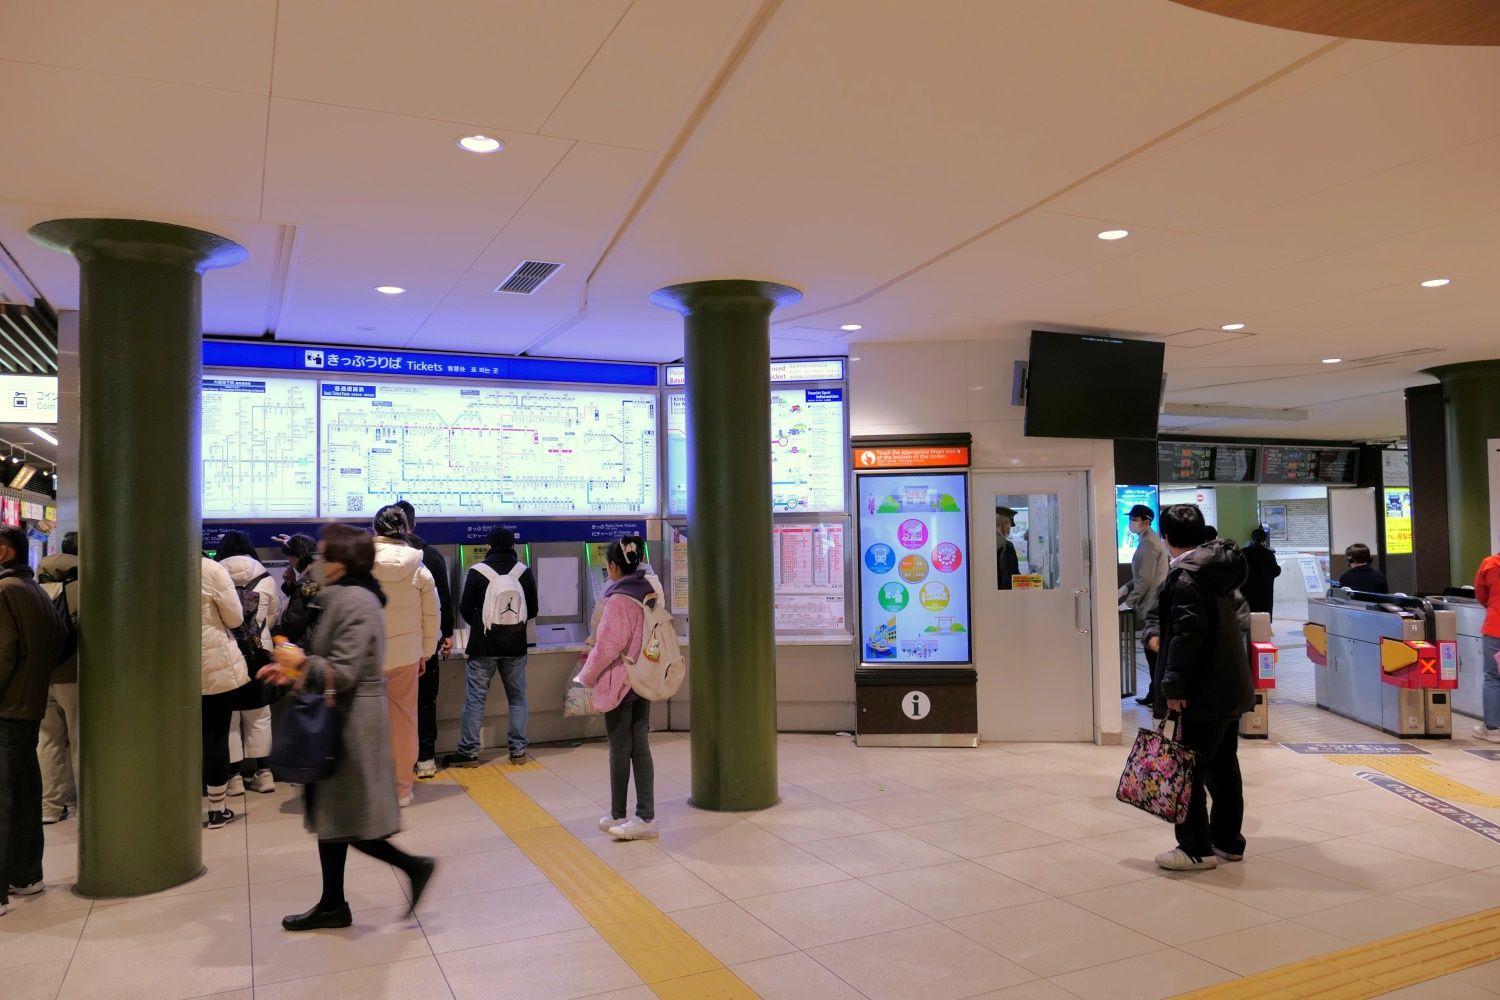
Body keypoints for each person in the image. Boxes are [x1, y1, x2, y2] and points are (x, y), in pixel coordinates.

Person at [257, 524, 436, 931]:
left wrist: (298, 663)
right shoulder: (344, 596)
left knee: (347, 818)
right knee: (332, 816)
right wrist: (293, 670)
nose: (319, 562)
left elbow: (349, 669)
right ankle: (333, 903)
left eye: (324, 555)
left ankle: (413, 866)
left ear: (339, 562)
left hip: (352, 722)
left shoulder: (355, 601)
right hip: (342, 714)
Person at [1150, 504, 1254, 872]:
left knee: (1189, 769)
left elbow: (1186, 638)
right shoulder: (1217, 570)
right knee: (1223, 768)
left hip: (1202, 692)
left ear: (1167, 538)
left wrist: (1173, 688)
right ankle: (1228, 841)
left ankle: (1195, 848)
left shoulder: (1187, 578)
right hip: (1227, 687)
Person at [0, 525, 67, 915]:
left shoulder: (5, 592)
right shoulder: (36, 591)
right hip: (28, 705)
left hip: (6, 709)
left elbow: (3, 654)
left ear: (4, 552)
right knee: (24, 792)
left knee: (4, 797)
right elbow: (58, 639)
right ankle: (26, 876)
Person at [577, 536, 659, 841]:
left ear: (613, 566)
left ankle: (622, 813)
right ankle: (641, 814)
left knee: (620, 749)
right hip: (642, 677)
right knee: (640, 747)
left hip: (620, 682)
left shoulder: (618, 599)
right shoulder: (649, 591)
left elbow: (607, 647)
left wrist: (585, 677)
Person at [444, 527, 538, 768]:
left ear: (488, 547)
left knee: (475, 700)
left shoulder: (477, 572)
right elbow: (533, 610)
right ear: (513, 547)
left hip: (483, 646)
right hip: (515, 647)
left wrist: (481, 624)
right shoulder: (523, 572)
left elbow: (465, 609)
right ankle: (518, 751)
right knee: (517, 699)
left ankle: (469, 752)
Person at [371, 506, 438, 808]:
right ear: (406, 529)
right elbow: (431, 616)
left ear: (375, 530)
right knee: (404, 721)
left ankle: (373, 786)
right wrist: (425, 652)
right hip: (406, 656)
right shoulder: (420, 569)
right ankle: (401, 789)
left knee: (367, 721)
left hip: (367, 656)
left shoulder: (360, 564)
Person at [200, 555, 266, 830]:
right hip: (213, 666)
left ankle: (170, 802)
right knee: (216, 734)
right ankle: (217, 808)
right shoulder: (211, 569)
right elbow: (235, 617)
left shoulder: (154, 566)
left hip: (169, 668)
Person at [214, 530, 281, 796]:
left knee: (228, 716)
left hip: (227, 651)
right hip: (259, 651)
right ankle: (264, 774)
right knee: (259, 713)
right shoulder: (265, 577)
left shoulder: (214, 574)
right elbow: (273, 615)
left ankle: (234, 778)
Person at [395, 500, 453, 781]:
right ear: (413, 524)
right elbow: (443, 598)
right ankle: (426, 758)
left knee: (394, 703)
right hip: (424, 642)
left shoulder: (377, 560)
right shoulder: (431, 555)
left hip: (392, 645)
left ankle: (398, 762)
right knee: (425, 700)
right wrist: (448, 634)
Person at [37, 531, 79, 825]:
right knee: (80, 739)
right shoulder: (86, 585)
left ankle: (50, 807)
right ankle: (88, 805)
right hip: (74, 674)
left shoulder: (35, 586)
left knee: (48, 740)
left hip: (41, 675)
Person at [1119, 505, 1169, 708]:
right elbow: (1141, 575)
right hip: (1152, 604)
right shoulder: (1147, 540)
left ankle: (1160, 700)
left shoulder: (1149, 543)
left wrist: (1128, 602)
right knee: (1152, 656)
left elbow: (1146, 579)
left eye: (1134, 518)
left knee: (1154, 656)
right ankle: (1154, 693)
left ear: (1146, 521)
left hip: (1152, 607)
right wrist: (1126, 588)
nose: (1131, 522)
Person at [1472, 550, 1500, 743]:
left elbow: (1481, 594)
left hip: (1496, 628)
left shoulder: (1490, 564)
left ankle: (1493, 729)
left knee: (1493, 677)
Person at [275, 533, 321, 644]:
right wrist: (292, 583)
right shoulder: (317, 573)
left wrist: (271, 634)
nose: (289, 561)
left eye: (289, 556)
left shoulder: (309, 581)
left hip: (307, 645)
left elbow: (294, 623)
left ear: (297, 556)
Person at [1241, 527, 1282, 618]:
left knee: (1248, 617)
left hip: (1247, 590)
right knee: (1263, 617)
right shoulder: (1268, 554)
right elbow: (1276, 571)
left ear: (1251, 538)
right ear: (1264, 540)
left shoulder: (1243, 552)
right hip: (1264, 591)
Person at [996, 507, 1020, 590]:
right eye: (1010, 525)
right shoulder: (1006, 545)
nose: (1009, 530)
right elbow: (1009, 580)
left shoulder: (984, 542)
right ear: (1005, 523)